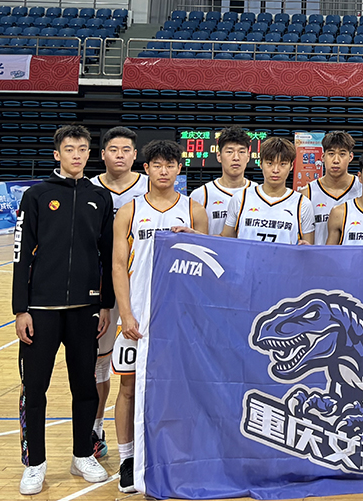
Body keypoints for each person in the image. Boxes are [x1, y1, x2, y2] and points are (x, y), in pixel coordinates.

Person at [13, 125, 115, 495]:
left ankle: (82, 455)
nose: (76, 155)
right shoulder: (36, 195)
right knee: (35, 389)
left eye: (82, 148)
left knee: (85, 386)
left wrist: (105, 304)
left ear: (90, 154)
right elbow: (21, 254)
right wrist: (20, 309)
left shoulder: (99, 197)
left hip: (85, 309)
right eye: (69, 149)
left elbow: (107, 254)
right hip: (40, 310)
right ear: (57, 154)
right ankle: (35, 464)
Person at [112, 140, 209, 493]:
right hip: (138, 314)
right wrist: (126, 313)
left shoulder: (194, 210)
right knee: (128, 386)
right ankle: (127, 459)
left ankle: (174, 454)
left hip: (178, 316)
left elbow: (209, 263)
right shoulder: (130, 211)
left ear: (179, 169)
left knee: (178, 387)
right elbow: (118, 265)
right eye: (157, 164)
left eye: (170, 165)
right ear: (147, 169)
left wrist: (198, 238)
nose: (163, 171)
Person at [88, 126, 148, 460]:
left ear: (135, 155)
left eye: (126, 150)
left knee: (136, 372)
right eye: (114, 149)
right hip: (99, 287)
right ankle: (96, 430)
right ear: (103, 154)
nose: (120, 155)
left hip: (139, 289)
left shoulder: (151, 186)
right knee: (98, 365)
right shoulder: (89, 187)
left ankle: (139, 439)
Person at [222, 137, 315, 245]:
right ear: (261, 163)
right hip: (247, 257)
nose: (275, 170)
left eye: (282, 164)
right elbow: (226, 243)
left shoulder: (303, 204)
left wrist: (305, 248)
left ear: (291, 166)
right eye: (270, 163)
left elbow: (308, 247)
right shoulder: (241, 198)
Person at [190, 126, 256, 236]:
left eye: (241, 152)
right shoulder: (201, 195)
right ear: (219, 156)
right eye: (229, 152)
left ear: (248, 157)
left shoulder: (257, 192)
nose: (236, 157)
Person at [301, 131, 362, 245]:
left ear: (351, 157)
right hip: (317, 256)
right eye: (331, 154)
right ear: (323, 157)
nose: (336, 160)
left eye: (342, 154)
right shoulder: (306, 193)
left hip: (352, 256)